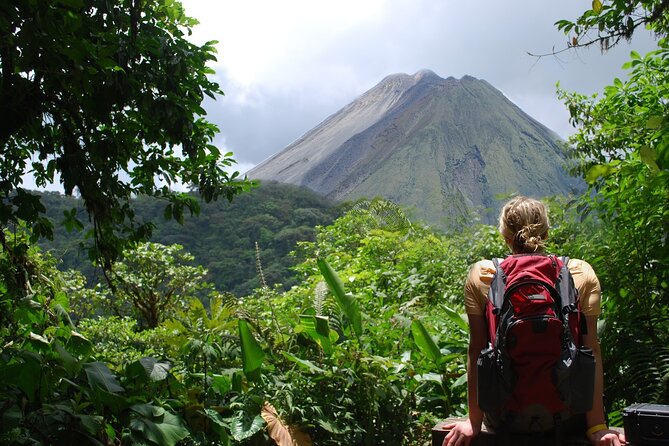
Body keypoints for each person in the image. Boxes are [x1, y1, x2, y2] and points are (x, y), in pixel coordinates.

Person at [443, 196, 626, 446]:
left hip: (503, 417)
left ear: (505, 235)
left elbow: (477, 351)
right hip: (567, 415)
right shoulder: (580, 273)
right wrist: (596, 426)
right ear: (546, 232)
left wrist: (474, 421)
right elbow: (590, 348)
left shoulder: (483, 275)